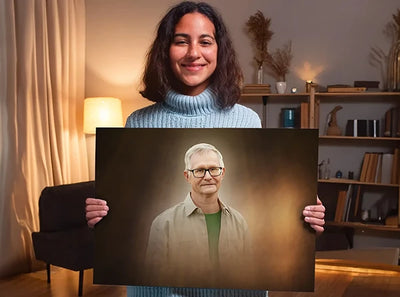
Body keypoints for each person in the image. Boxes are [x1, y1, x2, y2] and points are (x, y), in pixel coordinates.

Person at [86, 2, 326, 297]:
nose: (193, 53)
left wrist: (304, 216)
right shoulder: (138, 122)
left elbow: (252, 265)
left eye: (205, 42)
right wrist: (101, 215)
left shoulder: (247, 120)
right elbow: (136, 252)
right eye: (181, 41)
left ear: (219, 50)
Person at [145, 143, 252, 289]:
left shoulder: (239, 222)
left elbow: (249, 277)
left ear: (223, 173)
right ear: (187, 176)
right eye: (200, 170)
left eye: (214, 169)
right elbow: (152, 282)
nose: (208, 177)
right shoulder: (163, 223)